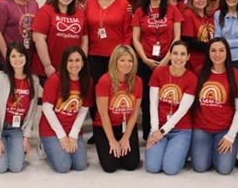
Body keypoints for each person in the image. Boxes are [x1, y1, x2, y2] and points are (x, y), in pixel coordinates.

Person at [132, 0, 183, 141]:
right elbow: (135, 38)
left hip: (167, 61)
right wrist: (145, 59)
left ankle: (167, 132)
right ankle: (149, 134)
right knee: (148, 100)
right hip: (146, 62)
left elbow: (177, 37)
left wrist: (167, 59)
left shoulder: (172, 10)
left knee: (167, 97)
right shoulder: (140, 11)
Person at [84, 0, 132, 136]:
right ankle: (99, 128)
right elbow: (85, 31)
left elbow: (128, 33)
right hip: (94, 55)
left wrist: (124, 57)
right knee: (96, 91)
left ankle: (115, 127)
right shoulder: (89, 4)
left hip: (116, 57)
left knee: (115, 93)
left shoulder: (124, 4)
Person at [191, 38, 238, 175]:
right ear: (208, 53)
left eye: (221, 50)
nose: (217, 54)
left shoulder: (237, 76)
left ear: (227, 53)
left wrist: (231, 135)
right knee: (200, 167)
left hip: (225, 129)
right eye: (213, 50)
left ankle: (224, 154)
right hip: (202, 128)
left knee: (224, 169)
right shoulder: (199, 72)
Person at [0, 42, 40, 173]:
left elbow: (32, 111)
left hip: (17, 129)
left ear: (26, 58)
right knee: (0, 168)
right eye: (13, 56)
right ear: (8, 59)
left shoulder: (34, 80)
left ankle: (13, 150)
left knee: (16, 167)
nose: (17, 59)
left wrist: (26, 137)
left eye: (21, 55)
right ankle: (1, 149)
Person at [145, 41, 197, 175]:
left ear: (188, 57)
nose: (178, 58)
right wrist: (155, 129)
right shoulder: (158, 73)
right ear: (170, 55)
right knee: (152, 167)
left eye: (182, 54)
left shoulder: (191, 78)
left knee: (170, 169)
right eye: (175, 53)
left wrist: (162, 132)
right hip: (159, 125)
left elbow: (182, 111)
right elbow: (153, 103)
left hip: (181, 129)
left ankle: (183, 149)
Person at [39, 47, 92, 173]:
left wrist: (73, 134)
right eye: (70, 61)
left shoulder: (87, 81)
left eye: (77, 60)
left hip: (72, 128)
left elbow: (84, 109)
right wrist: (62, 136)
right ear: (64, 63)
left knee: (80, 165)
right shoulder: (55, 79)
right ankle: (44, 146)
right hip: (51, 129)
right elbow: (47, 109)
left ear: (83, 63)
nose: (74, 65)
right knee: (63, 167)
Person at [92, 45, 142, 173]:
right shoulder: (104, 81)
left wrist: (126, 137)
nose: (127, 64)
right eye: (122, 60)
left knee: (131, 165)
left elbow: (135, 112)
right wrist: (112, 140)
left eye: (130, 61)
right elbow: (103, 114)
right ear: (115, 61)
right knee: (110, 166)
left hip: (125, 126)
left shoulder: (137, 81)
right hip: (105, 127)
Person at [32, 0, 88, 85]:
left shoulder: (80, 13)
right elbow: (38, 40)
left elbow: (84, 40)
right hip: (49, 70)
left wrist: (80, 64)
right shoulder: (46, 11)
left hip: (72, 70)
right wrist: (47, 66)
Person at [181, 0, 214, 69]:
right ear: (191, 0)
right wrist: (211, 47)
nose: (200, 0)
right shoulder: (188, 14)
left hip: (210, 60)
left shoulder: (210, 15)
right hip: (195, 62)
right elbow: (188, 41)